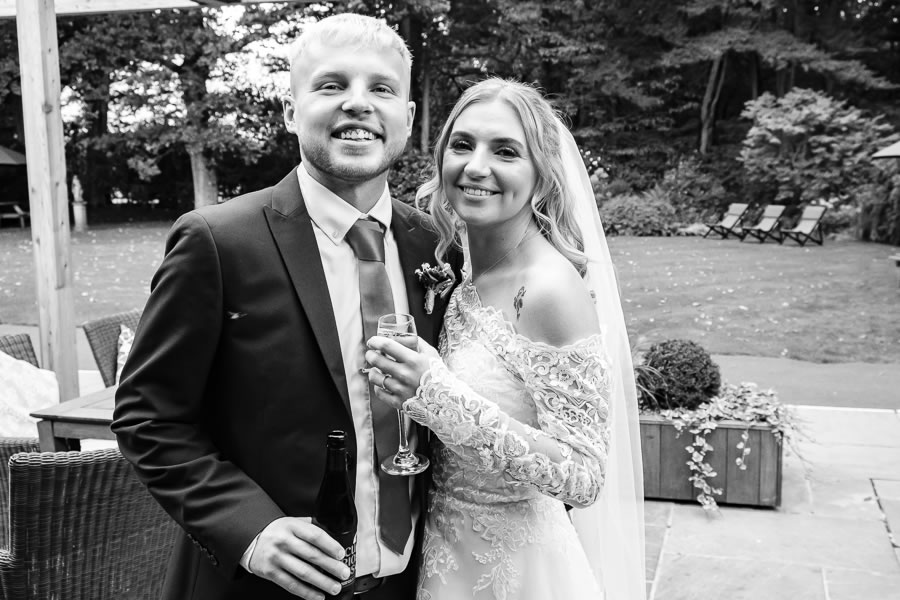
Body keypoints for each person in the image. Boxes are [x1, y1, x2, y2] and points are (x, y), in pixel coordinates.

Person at [112, 13, 460, 600]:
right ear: (290, 111)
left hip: (415, 581)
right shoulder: (217, 242)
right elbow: (149, 417)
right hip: (258, 589)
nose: (358, 103)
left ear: (406, 116)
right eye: (331, 85)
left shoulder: (436, 246)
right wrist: (250, 529)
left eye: (380, 88)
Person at [363, 78, 646, 599]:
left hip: (518, 568)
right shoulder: (462, 266)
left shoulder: (550, 290)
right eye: (463, 144)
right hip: (442, 550)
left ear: (541, 176)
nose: (476, 166)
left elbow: (584, 477)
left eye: (506, 151)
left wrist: (436, 394)